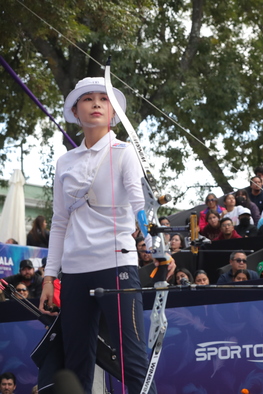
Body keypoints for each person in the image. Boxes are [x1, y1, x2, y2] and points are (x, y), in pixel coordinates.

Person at [39, 77, 174, 394]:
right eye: (88, 99)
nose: (96, 103)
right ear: (76, 110)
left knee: (133, 361)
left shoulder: (124, 152)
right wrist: (48, 277)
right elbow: (59, 222)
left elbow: (143, 205)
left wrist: (157, 247)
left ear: (112, 112)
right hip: (73, 272)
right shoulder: (65, 162)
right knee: (77, 364)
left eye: (104, 98)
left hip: (117, 266)